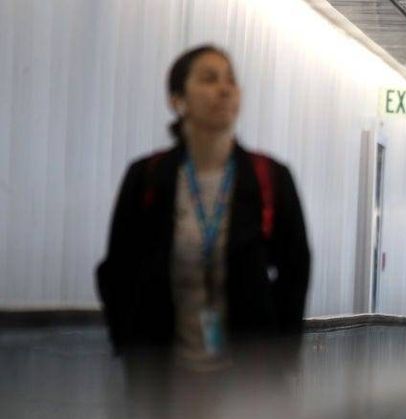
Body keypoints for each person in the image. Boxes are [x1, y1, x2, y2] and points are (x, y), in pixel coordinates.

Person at [97, 45, 310, 365]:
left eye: (230, 80)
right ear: (177, 100)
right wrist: (129, 343)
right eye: (209, 79)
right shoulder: (148, 177)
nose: (224, 89)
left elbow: (296, 269)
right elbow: (118, 268)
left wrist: (278, 354)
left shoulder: (270, 178)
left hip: (247, 379)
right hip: (161, 378)